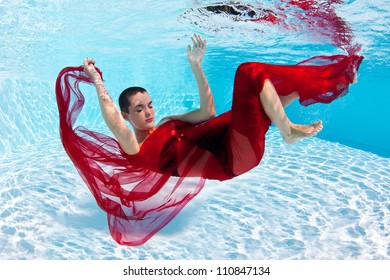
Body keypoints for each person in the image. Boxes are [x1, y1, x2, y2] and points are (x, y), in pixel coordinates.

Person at [56, 34, 363, 245]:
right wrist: (96, 80)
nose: (148, 112)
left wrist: (196, 65)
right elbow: (111, 116)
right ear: (126, 116)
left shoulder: (167, 123)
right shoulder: (135, 148)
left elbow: (208, 111)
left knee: (268, 89)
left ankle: (342, 75)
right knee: (250, 73)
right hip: (232, 158)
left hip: (235, 142)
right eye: (139, 109)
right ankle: (288, 130)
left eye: (149, 104)